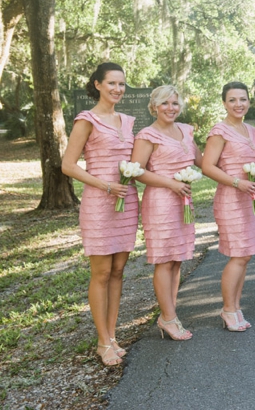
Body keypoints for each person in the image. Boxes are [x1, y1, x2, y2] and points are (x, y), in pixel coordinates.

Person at [62, 63, 138, 366]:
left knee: (119, 270)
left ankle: (113, 335)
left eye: (122, 84)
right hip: (99, 202)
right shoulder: (86, 120)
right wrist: (106, 186)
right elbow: (68, 165)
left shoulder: (129, 121)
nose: (118, 89)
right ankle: (102, 341)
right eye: (111, 83)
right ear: (97, 85)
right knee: (102, 272)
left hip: (127, 201)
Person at [131, 85, 202, 341]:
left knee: (177, 258)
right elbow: (136, 170)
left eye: (174, 103)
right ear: (154, 107)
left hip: (183, 201)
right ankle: (169, 319)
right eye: (165, 103)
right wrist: (171, 183)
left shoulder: (186, 130)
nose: (170, 108)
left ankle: (168, 313)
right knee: (164, 259)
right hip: (161, 202)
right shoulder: (147, 135)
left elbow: (202, 162)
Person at [201, 82, 255, 332]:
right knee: (238, 254)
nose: (239, 104)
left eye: (243, 99)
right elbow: (207, 166)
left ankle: (235, 306)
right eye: (233, 100)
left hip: (250, 198)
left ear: (249, 101)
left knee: (245, 255)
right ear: (224, 103)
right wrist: (237, 182)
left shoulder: (252, 130)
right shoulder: (219, 131)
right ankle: (227, 309)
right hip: (231, 198)